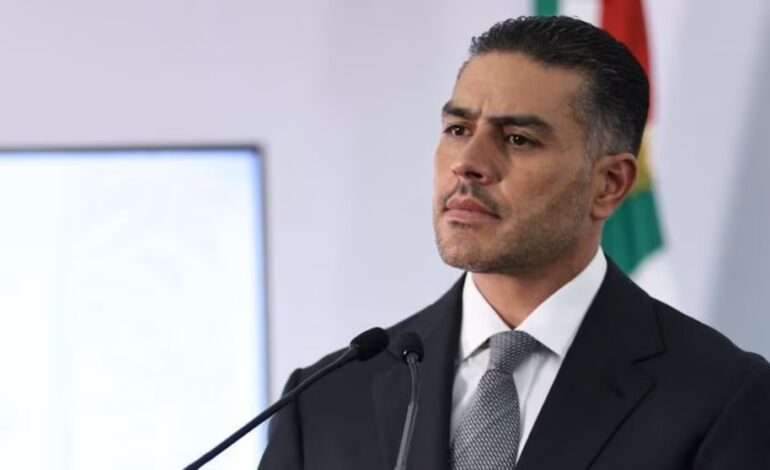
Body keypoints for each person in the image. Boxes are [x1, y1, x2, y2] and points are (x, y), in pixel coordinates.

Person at [259, 16, 770, 469]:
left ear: (609, 184)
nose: (468, 163)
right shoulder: (324, 399)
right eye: (458, 129)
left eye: (518, 139)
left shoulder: (721, 397)